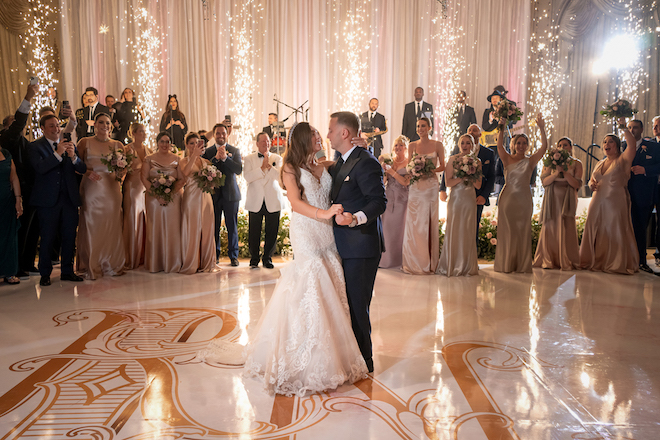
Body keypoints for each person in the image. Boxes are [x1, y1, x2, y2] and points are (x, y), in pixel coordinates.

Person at [198, 121, 369, 397]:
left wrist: (361, 146)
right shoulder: (290, 168)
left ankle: (334, 353)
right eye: (314, 135)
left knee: (331, 280)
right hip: (307, 231)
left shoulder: (324, 164)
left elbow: (348, 162)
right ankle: (303, 356)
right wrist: (324, 214)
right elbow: (297, 203)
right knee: (311, 282)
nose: (320, 138)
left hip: (327, 235)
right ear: (303, 139)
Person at [329, 111, 387, 373]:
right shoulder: (339, 161)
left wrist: (355, 218)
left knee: (357, 305)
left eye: (331, 130)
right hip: (343, 246)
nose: (328, 134)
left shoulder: (366, 162)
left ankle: (365, 361)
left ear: (344, 133)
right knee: (348, 305)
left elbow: (379, 201)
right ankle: (352, 357)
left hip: (361, 246)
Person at [29, 114, 87, 286]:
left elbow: (82, 168)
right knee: (48, 237)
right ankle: (45, 273)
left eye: (57, 125)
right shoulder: (35, 147)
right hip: (47, 200)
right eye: (51, 126)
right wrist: (57, 153)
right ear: (43, 129)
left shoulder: (69, 144)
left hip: (68, 198)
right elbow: (40, 168)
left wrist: (73, 157)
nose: (56, 129)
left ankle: (68, 271)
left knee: (69, 236)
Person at [579, 120, 640, 274]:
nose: (606, 144)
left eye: (611, 142)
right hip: (597, 201)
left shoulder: (623, 160)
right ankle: (594, 260)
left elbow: (632, 145)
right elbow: (592, 179)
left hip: (615, 201)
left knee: (614, 228)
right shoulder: (600, 163)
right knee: (595, 229)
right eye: (605, 142)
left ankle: (614, 262)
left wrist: (623, 126)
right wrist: (591, 184)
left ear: (617, 145)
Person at [494, 113, 548, 273]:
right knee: (507, 231)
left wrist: (542, 129)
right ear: (514, 144)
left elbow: (544, 148)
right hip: (508, 199)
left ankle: (521, 265)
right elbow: (499, 147)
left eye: (524, 143)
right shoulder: (507, 159)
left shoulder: (530, 161)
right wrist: (502, 127)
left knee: (522, 231)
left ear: (527, 146)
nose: (521, 145)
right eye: (519, 143)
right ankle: (506, 264)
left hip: (524, 200)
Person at [75, 113, 127, 279]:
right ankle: (92, 264)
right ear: (95, 125)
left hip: (112, 189)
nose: (105, 125)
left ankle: (111, 263)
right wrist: (87, 172)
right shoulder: (85, 142)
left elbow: (124, 169)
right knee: (91, 223)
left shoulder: (118, 144)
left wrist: (121, 172)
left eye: (107, 123)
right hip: (91, 189)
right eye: (101, 122)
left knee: (112, 224)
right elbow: (75, 164)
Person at [0, 83, 39, 278]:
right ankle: (15, 268)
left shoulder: (25, 141)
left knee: (31, 230)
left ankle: (26, 263)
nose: (20, 126)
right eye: (14, 123)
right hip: (16, 192)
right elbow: (17, 125)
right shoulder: (7, 139)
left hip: (31, 189)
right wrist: (28, 97)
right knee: (19, 231)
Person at [401, 117, 445, 274]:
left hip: (431, 187)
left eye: (423, 126)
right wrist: (414, 169)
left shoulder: (438, 145)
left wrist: (430, 169)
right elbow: (408, 166)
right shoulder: (412, 145)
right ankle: (414, 261)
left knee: (428, 221)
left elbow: (443, 166)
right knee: (414, 222)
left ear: (430, 128)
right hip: (416, 187)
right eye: (418, 126)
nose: (420, 128)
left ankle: (429, 263)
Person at [533, 137, 583, 270]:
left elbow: (577, 184)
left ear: (571, 147)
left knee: (566, 226)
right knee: (551, 226)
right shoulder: (550, 162)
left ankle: (567, 258)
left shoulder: (577, 163)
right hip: (552, 198)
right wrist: (555, 174)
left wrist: (565, 173)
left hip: (568, 197)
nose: (562, 147)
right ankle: (549, 257)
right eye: (559, 145)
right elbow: (544, 182)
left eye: (565, 145)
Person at [440, 124, 496, 239]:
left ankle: (470, 254)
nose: (471, 131)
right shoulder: (456, 153)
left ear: (480, 134)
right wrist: (442, 189)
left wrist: (484, 195)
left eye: (474, 130)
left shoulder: (487, 154)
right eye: (469, 129)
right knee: (455, 226)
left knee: (472, 227)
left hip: (476, 195)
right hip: (456, 194)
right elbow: (448, 172)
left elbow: (491, 177)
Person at [438, 134, 482, 276]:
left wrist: (470, 174)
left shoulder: (477, 161)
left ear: (472, 145)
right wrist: (462, 177)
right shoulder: (452, 159)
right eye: (462, 143)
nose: (464, 145)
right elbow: (449, 182)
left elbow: (478, 185)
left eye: (468, 143)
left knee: (468, 229)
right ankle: (452, 264)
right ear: (459, 144)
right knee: (454, 228)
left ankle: (467, 266)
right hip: (456, 199)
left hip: (469, 198)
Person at [141, 132, 183, 273]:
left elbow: (182, 179)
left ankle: (173, 261)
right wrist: (156, 194)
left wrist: (170, 193)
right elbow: (144, 177)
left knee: (173, 228)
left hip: (174, 198)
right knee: (155, 228)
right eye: (162, 141)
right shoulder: (149, 159)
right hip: (153, 200)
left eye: (167, 142)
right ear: (157, 143)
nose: (165, 144)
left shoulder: (177, 159)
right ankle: (155, 262)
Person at [621, 119, 660, 273]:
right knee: (623, 226)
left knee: (640, 227)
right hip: (623, 193)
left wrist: (645, 170)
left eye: (635, 127)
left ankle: (641, 260)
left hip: (644, 194)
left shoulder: (654, 147)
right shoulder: (622, 146)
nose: (632, 130)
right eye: (629, 127)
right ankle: (623, 258)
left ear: (642, 129)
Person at [202, 123, 243, 266]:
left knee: (232, 226)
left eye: (223, 133)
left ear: (227, 134)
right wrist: (215, 159)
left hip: (231, 194)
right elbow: (204, 170)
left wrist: (226, 158)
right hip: (213, 194)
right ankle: (215, 254)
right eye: (218, 133)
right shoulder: (207, 152)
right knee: (214, 226)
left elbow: (238, 170)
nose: (220, 136)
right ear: (213, 135)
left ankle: (233, 256)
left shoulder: (234, 151)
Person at [244, 132, 284, 269]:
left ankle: (267, 258)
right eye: (263, 142)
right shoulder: (249, 158)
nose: (266, 144)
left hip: (272, 199)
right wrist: (261, 169)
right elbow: (247, 177)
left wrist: (269, 167)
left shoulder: (277, 158)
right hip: (255, 199)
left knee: (271, 231)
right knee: (254, 231)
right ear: (257, 143)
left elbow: (280, 177)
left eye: (268, 142)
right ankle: (254, 258)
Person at [179, 132, 216, 274]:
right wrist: (194, 156)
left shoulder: (206, 162)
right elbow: (186, 173)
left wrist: (212, 181)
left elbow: (213, 181)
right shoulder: (183, 161)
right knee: (192, 229)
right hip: (191, 199)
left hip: (206, 198)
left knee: (207, 230)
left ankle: (206, 262)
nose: (195, 145)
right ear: (187, 145)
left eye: (197, 143)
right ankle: (191, 263)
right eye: (192, 143)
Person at [379, 135, 410, 269]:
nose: (398, 148)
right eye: (396, 145)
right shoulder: (389, 161)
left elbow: (405, 182)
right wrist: (383, 171)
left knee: (400, 229)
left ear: (405, 148)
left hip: (402, 199)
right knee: (386, 227)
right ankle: (385, 260)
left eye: (400, 145)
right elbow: (384, 182)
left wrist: (392, 171)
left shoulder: (410, 162)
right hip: (389, 197)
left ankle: (398, 259)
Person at [122, 123, 148, 269]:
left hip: (146, 189)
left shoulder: (148, 150)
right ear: (133, 133)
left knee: (145, 221)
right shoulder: (126, 150)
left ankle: (143, 255)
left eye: (145, 132)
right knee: (132, 221)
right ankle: (131, 256)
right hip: (132, 188)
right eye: (141, 132)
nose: (144, 134)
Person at [0, 146, 22, 284]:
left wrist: (18, 199)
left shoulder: (6, 153)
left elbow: (14, 178)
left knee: (9, 237)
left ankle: (9, 272)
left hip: (6, 201)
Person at [652, 116, 660, 266]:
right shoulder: (651, 145)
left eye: (658, 125)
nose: (655, 128)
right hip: (651, 188)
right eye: (654, 125)